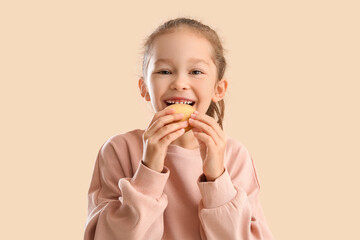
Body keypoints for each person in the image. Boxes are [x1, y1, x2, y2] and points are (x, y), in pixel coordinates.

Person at [84, 17, 274, 240]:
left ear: (219, 89)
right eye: (165, 71)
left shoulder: (235, 156)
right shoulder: (119, 150)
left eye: (196, 72)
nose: (179, 83)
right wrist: (149, 171)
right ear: (144, 88)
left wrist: (216, 179)